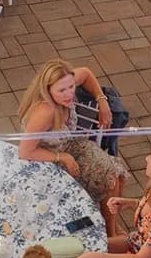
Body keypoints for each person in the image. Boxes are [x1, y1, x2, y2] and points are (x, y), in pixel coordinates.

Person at [17, 60, 126, 210]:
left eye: (71, 87)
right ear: (47, 91)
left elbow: (86, 73)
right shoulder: (45, 112)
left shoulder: (66, 81)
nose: (69, 94)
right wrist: (62, 157)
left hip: (70, 145)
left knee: (116, 176)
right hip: (46, 160)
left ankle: (111, 228)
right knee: (110, 179)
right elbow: (25, 152)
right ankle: (110, 228)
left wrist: (102, 100)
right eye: (62, 91)